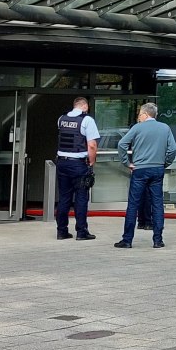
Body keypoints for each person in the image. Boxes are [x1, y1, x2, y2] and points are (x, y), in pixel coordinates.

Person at [114, 102, 176, 249]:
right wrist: (164, 163)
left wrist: (127, 162)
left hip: (140, 169)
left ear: (145, 114)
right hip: (157, 169)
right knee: (157, 204)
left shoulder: (137, 128)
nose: (138, 118)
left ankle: (127, 240)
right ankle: (158, 240)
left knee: (133, 205)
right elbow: (173, 149)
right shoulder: (165, 128)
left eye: (139, 115)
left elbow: (122, 144)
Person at [55, 95, 100, 242]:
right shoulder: (87, 120)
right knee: (81, 198)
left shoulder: (61, 119)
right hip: (78, 164)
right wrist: (91, 162)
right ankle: (81, 232)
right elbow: (92, 145)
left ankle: (61, 231)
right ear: (85, 106)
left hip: (62, 163)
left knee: (64, 198)